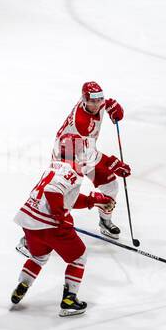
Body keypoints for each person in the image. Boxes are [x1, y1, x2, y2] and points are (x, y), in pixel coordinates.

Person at [12, 147, 115, 316]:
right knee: (78, 257)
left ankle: (23, 284)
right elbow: (53, 192)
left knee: (38, 257)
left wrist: (93, 201)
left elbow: (67, 198)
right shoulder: (72, 170)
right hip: (50, 226)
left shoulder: (56, 166)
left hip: (30, 222)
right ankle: (69, 300)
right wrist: (60, 218)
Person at [50, 82, 130, 239]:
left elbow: (107, 103)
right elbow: (87, 154)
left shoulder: (96, 102)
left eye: (99, 100)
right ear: (84, 100)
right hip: (67, 156)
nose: (96, 104)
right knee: (63, 198)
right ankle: (34, 234)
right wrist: (113, 163)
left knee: (111, 185)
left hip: (84, 150)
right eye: (93, 101)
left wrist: (112, 107)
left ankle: (105, 222)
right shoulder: (81, 123)